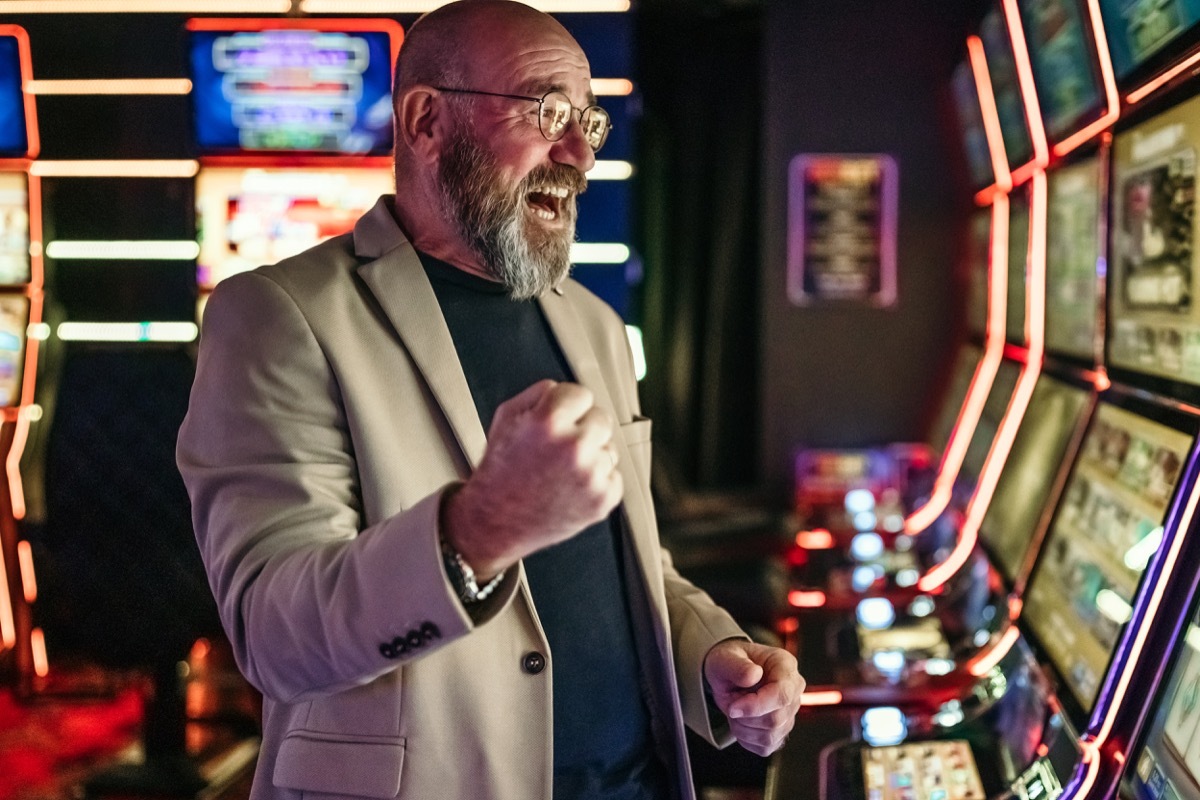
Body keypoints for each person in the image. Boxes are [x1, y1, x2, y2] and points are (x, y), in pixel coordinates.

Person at [176, 2, 804, 799]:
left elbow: (628, 564)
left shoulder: (596, 324)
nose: (577, 154)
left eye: (590, 124)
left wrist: (713, 655)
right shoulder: (276, 316)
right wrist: (479, 529)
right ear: (427, 119)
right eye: (547, 112)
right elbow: (275, 635)